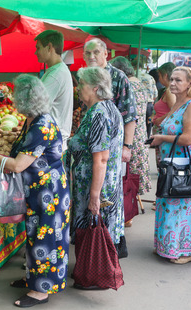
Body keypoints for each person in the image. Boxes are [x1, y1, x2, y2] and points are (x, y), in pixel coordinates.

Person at [0, 74, 70, 308]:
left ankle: (41, 290)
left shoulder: (41, 125)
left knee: (45, 237)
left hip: (48, 193)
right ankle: (33, 277)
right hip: (38, 191)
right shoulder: (34, 120)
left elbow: (18, 165)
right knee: (34, 235)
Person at [67, 67, 124, 263]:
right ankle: (92, 270)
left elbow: (100, 158)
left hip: (96, 185)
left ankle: (93, 273)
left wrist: (94, 196)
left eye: (82, 84)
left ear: (95, 88)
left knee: (94, 229)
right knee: (98, 230)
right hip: (101, 183)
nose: (78, 88)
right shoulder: (106, 108)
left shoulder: (99, 113)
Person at [149, 66, 191, 264]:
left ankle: (187, 251)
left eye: (178, 80)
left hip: (183, 165)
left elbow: (188, 138)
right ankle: (167, 246)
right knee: (167, 201)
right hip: (171, 163)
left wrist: (161, 137)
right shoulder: (178, 103)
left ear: (190, 83)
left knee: (181, 204)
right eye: (171, 79)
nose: (172, 83)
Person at [83, 38, 136, 163]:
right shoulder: (84, 77)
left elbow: (129, 114)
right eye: (88, 53)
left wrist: (127, 147)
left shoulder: (118, 77)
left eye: (96, 52)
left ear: (105, 53)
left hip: (110, 145)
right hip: (87, 143)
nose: (91, 56)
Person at [110, 57, 151, 207]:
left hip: (130, 134)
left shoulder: (127, 85)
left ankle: (128, 210)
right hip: (140, 134)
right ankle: (131, 206)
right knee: (133, 175)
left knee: (126, 176)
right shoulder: (140, 84)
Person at [34, 30, 73, 150]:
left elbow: (35, 106)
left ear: (49, 47)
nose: (36, 52)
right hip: (53, 139)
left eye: (38, 48)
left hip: (52, 142)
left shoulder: (56, 74)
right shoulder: (56, 70)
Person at [152, 62, 176, 166]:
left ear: (165, 75)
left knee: (163, 164)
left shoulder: (170, 92)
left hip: (164, 132)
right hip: (162, 131)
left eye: (159, 76)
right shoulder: (167, 91)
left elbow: (174, 111)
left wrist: (160, 119)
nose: (159, 79)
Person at [132, 57, 158, 139]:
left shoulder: (132, 78)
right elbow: (155, 94)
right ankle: (146, 139)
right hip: (149, 104)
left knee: (137, 125)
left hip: (136, 104)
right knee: (148, 123)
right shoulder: (149, 77)